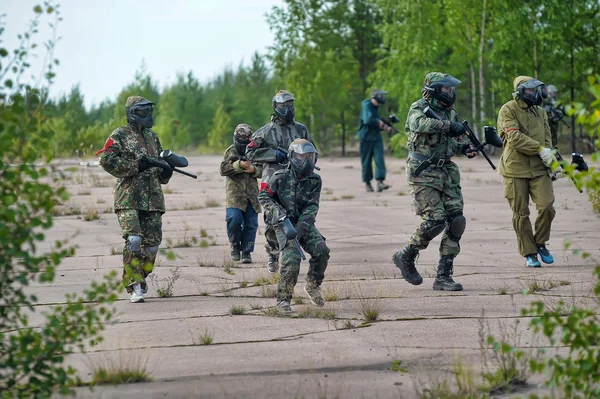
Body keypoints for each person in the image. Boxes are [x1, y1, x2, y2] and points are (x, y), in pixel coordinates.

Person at [392, 72, 477, 291]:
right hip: (423, 170)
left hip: (446, 171)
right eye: (446, 89)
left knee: (456, 220)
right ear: (435, 90)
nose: (450, 93)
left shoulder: (451, 112)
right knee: (436, 220)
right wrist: (449, 126)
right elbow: (419, 124)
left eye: (452, 89)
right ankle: (406, 255)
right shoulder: (418, 107)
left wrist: (465, 148)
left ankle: (443, 275)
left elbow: (450, 144)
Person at [97, 96, 173, 303]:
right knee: (134, 240)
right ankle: (134, 284)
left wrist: (168, 168)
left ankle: (140, 276)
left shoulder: (152, 136)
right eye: (142, 111)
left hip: (153, 199)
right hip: (128, 198)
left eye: (149, 110)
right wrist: (135, 166)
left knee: (152, 247)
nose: (147, 115)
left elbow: (160, 174)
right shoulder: (119, 135)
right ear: (132, 112)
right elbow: (106, 159)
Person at [497, 76, 564, 267]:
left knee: (547, 206)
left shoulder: (540, 112)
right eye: (528, 90)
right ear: (519, 91)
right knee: (521, 213)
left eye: (535, 90)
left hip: (538, 168)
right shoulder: (508, 109)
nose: (533, 94)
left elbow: (547, 138)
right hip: (514, 169)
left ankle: (540, 243)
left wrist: (552, 161)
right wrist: (539, 149)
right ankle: (529, 253)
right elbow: (515, 138)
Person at [258, 139, 329, 313]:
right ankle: (283, 299)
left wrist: (302, 227)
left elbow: (312, 206)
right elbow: (264, 197)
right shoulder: (279, 177)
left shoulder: (314, 180)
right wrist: (278, 213)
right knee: (292, 258)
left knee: (322, 250)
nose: (305, 161)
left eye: (309, 157)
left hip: (303, 223)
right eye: (301, 156)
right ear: (292, 156)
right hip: (283, 223)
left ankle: (312, 285)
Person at [246, 90, 312, 274]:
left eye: (290, 105)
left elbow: (312, 151)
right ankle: (273, 254)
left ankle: (293, 254)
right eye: (284, 106)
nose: (288, 109)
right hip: (272, 180)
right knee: (271, 220)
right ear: (276, 107)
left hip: (296, 180)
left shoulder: (301, 129)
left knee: (297, 216)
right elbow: (249, 152)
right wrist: (273, 155)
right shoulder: (265, 131)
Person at [219, 124, 261, 263]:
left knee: (251, 224)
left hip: (252, 195)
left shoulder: (256, 151)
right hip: (235, 195)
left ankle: (247, 252)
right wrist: (238, 165)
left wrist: (253, 169)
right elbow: (223, 169)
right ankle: (235, 244)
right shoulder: (231, 151)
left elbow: (265, 168)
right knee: (234, 219)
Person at [358, 89, 392, 192]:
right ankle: (367, 183)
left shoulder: (377, 107)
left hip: (376, 137)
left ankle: (380, 182)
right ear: (375, 96)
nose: (383, 97)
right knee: (366, 162)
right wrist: (379, 122)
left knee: (379, 159)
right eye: (381, 95)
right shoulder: (366, 105)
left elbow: (375, 123)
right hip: (366, 137)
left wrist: (384, 126)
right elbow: (367, 120)